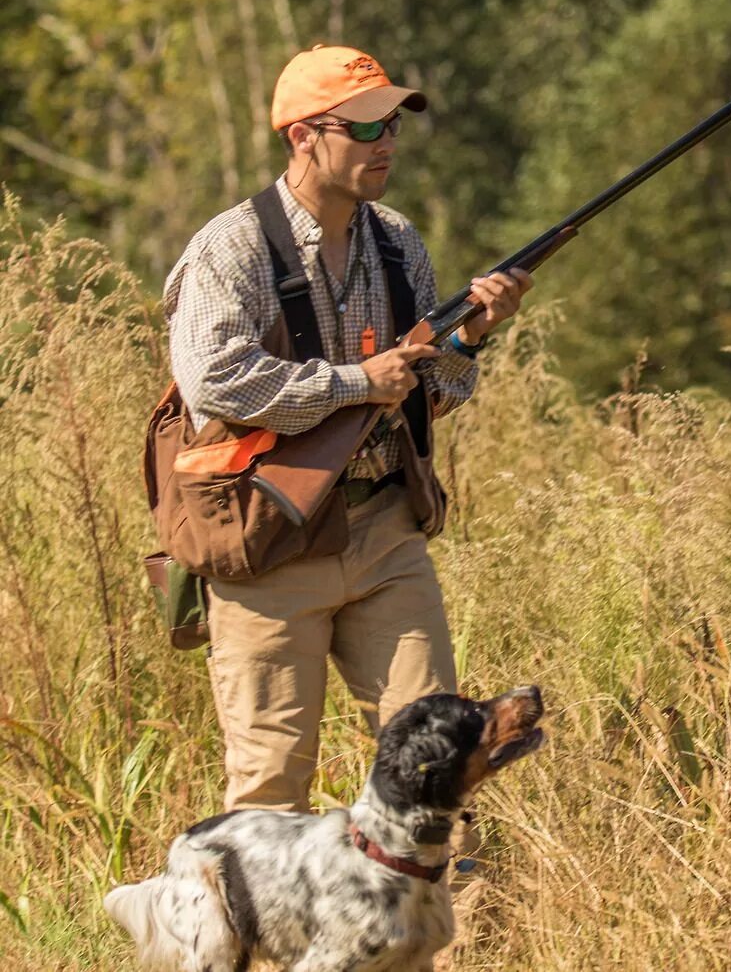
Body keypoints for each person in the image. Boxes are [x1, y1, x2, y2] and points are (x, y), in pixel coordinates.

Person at [163, 43, 530, 812]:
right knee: (269, 784)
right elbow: (215, 381)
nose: (386, 141)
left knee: (439, 756)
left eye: (392, 123)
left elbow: (435, 391)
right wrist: (356, 383)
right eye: (364, 128)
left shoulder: (397, 241)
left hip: (384, 529)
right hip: (269, 541)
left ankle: (448, 932)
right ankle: (257, 932)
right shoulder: (229, 250)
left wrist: (471, 338)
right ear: (302, 135)